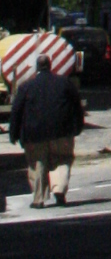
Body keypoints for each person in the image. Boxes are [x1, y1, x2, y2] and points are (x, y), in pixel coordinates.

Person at [10, 50, 85, 208]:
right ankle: (59, 189)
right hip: (62, 132)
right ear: (50, 66)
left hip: (34, 134)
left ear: (37, 68)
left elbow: (16, 111)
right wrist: (78, 126)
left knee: (37, 163)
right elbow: (77, 106)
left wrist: (14, 134)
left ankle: (39, 199)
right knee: (62, 159)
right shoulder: (65, 83)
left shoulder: (26, 87)